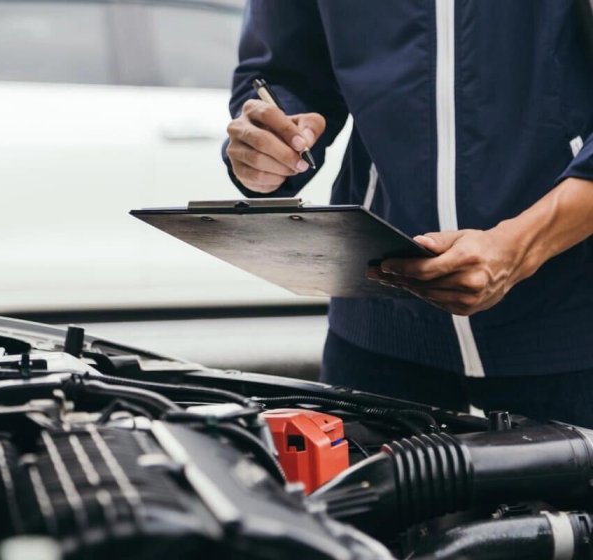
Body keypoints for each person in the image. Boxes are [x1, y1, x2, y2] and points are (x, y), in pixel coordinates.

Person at [222, 1, 593, 427]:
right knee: (354, 492)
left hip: (572, 324)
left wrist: (522, 245)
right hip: (381, 324)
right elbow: (282, 75)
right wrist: (267, 145)